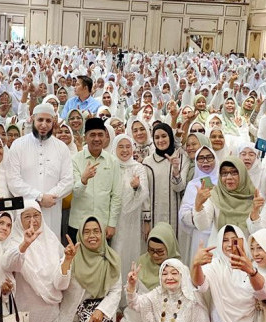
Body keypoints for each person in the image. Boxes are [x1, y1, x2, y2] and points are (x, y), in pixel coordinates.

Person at [58, 217, 120, 322]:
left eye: (96, 231)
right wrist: (67, 260)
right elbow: (59, 284)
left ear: (102, 234)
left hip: (97, 321)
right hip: (74, 320)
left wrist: (101, 311)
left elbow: (116, 290)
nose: (92, 236)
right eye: (86, 232)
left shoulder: (111, 258)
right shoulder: (72, 255)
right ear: (80, 235)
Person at [1, 200, 73, 322]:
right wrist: (25, 244)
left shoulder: (50, 239)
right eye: (27, 216)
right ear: (19, 219)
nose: (32, 220)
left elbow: (61, 281)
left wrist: (68, 259)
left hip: (51, 311)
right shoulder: (15, 240)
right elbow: (8, 264)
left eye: (36, 215)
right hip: (25, 311)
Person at [6, 105, 73, 237]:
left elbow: (68, 181)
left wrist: (50, 197)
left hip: (52, 209)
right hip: (25, 209)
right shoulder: (18, 145)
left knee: (51, 248)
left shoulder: (61, 148)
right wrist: (39, 197)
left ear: (53, 122)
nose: (44, 125)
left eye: (48, 121)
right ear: (32, 119)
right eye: (40, 120)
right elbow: (13, 181)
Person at [68, 118, 122, 242]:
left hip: (102, 226)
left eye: (100, 135)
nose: (96, 139)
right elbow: (75, 193)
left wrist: (112, 224)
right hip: (78, 224)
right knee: (76, 260)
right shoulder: (75, 160)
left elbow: (116, 196)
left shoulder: (112, 161)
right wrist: (84, 180)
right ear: (85, 137)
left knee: (101, 261)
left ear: (106, 137)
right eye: (92, 135)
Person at [109, 134, 148, 283]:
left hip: (132, 220)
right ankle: (114, 293)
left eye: (128, 146)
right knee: (115, 252)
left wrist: (136, 187)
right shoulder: (111, 165)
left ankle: (129, 292)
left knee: (130, 252)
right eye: (121, 146)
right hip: (113, 219)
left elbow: (144, 193)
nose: (125, 150)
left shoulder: (138, 167)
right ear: (115, 148)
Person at [143, 123, 187, 248]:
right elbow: (145, 194)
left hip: (175, 217)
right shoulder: (148, 162)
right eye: (157, 137)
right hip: (154, 217)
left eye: (164, 136)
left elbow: (179, 188)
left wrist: (175, 169)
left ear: (170, 137)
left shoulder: (182, 158)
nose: (160, 140)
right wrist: (146, 221)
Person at [192, 157, 256, 238]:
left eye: (234, 172)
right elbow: (202, 226)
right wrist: (198, 206)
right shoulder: (215, 195)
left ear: (243, 174)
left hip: (246, 247)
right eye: (224, 173)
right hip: (220, 248)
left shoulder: (254, 196)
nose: (229, 177)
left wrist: (255, 212)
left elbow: (259, 231)